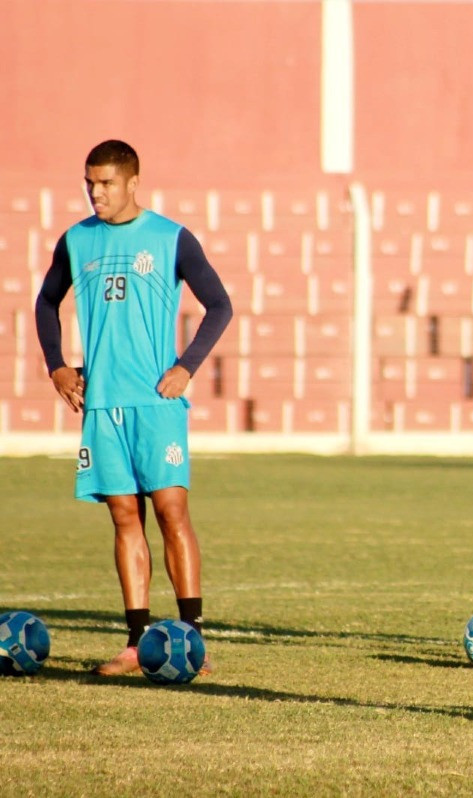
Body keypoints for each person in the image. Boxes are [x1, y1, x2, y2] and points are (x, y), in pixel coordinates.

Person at [34, 140, 233, 676]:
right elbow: (46, 301)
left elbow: (220, 304)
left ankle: (192, 639)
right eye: (89, 183)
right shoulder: (77, 240)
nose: (95, 192)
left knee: (171, 512)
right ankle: (136, 640)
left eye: (105, 183)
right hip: (102, 404)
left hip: (156, 402)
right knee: (125, 517)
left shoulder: (171, 238)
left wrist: (186, 366)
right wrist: (56, 363)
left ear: (133, 182)